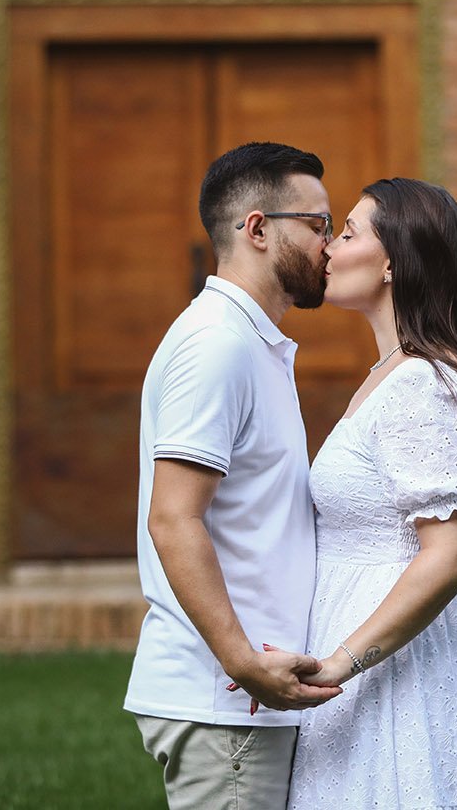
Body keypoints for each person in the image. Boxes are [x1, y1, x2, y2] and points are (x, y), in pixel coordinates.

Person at [287, 178, 457, 809]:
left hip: (415, 663)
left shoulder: (427, 387)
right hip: (376, 653)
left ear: (393, 262)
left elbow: (452, 553)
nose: (328, 247)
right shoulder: (393, 374)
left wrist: (341, 663)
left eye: (347, 233)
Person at [125, 142, 345, 810]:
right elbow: (173, 517)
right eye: (317, 225)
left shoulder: (251, 343)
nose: (330, 244)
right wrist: (242, 662)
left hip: (250, 698)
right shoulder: (218, 344)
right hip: (225, 704)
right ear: (257, 229)